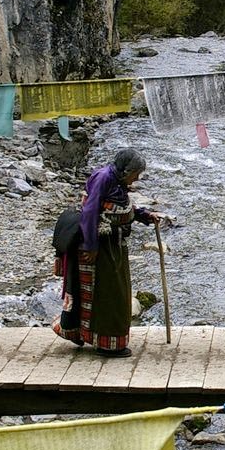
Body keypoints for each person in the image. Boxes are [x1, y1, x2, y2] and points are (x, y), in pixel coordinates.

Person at [53, 148, 169, 357]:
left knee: (113, 292)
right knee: (107, 294)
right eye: (136, 174)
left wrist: (144, 215)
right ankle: (106, 343)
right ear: (127, 171)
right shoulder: (103, 178)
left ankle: (97, 338)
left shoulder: (117, 182)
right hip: (99, 248)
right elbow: (90, 211)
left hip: (113, 247)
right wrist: (91, 246)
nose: (137, 179)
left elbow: (124, 208)